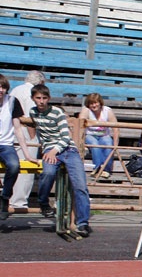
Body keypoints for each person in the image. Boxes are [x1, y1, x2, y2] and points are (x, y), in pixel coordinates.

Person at [28, 84, 92, 235]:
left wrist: (54, 150)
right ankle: (43, 202)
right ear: (33, 99)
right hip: (50, 149)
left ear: (49, 99)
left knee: (80, 185)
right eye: (38, 98)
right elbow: (30, 127)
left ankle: (82, 222)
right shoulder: (33, 112)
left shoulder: (57, 112)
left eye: (44, 98)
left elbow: (65, 136)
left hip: (67, 148)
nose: (41, 101)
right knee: (48, 173)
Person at [9, 71, 44, 210]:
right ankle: (18, 202)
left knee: (13, 166)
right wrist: (32, 138)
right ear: (40, 82)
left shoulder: (16, 89)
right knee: (27, 168)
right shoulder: (32, 92)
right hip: (24, 131)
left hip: (11, 130)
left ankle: (10, 198)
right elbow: (31, 117)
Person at [0, 74, 32, 221]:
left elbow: (18, 129)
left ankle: (5, 197)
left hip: (6, 144)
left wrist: (26, 154)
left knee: (14, 165)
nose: (1, 90)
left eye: (3, 87)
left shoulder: (12, 101)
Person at [78, 93, 119, 180]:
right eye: (91, 103)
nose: (94, 105)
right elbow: (80, 123)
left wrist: (115, 144)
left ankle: (106, 170)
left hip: (104, 135)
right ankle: (98, 168)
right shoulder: (86, 110)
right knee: (94, 144)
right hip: (90, 134)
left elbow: (116, 128)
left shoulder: (107, 111)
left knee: (108, 143)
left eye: (96, 103)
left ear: (100, 102)